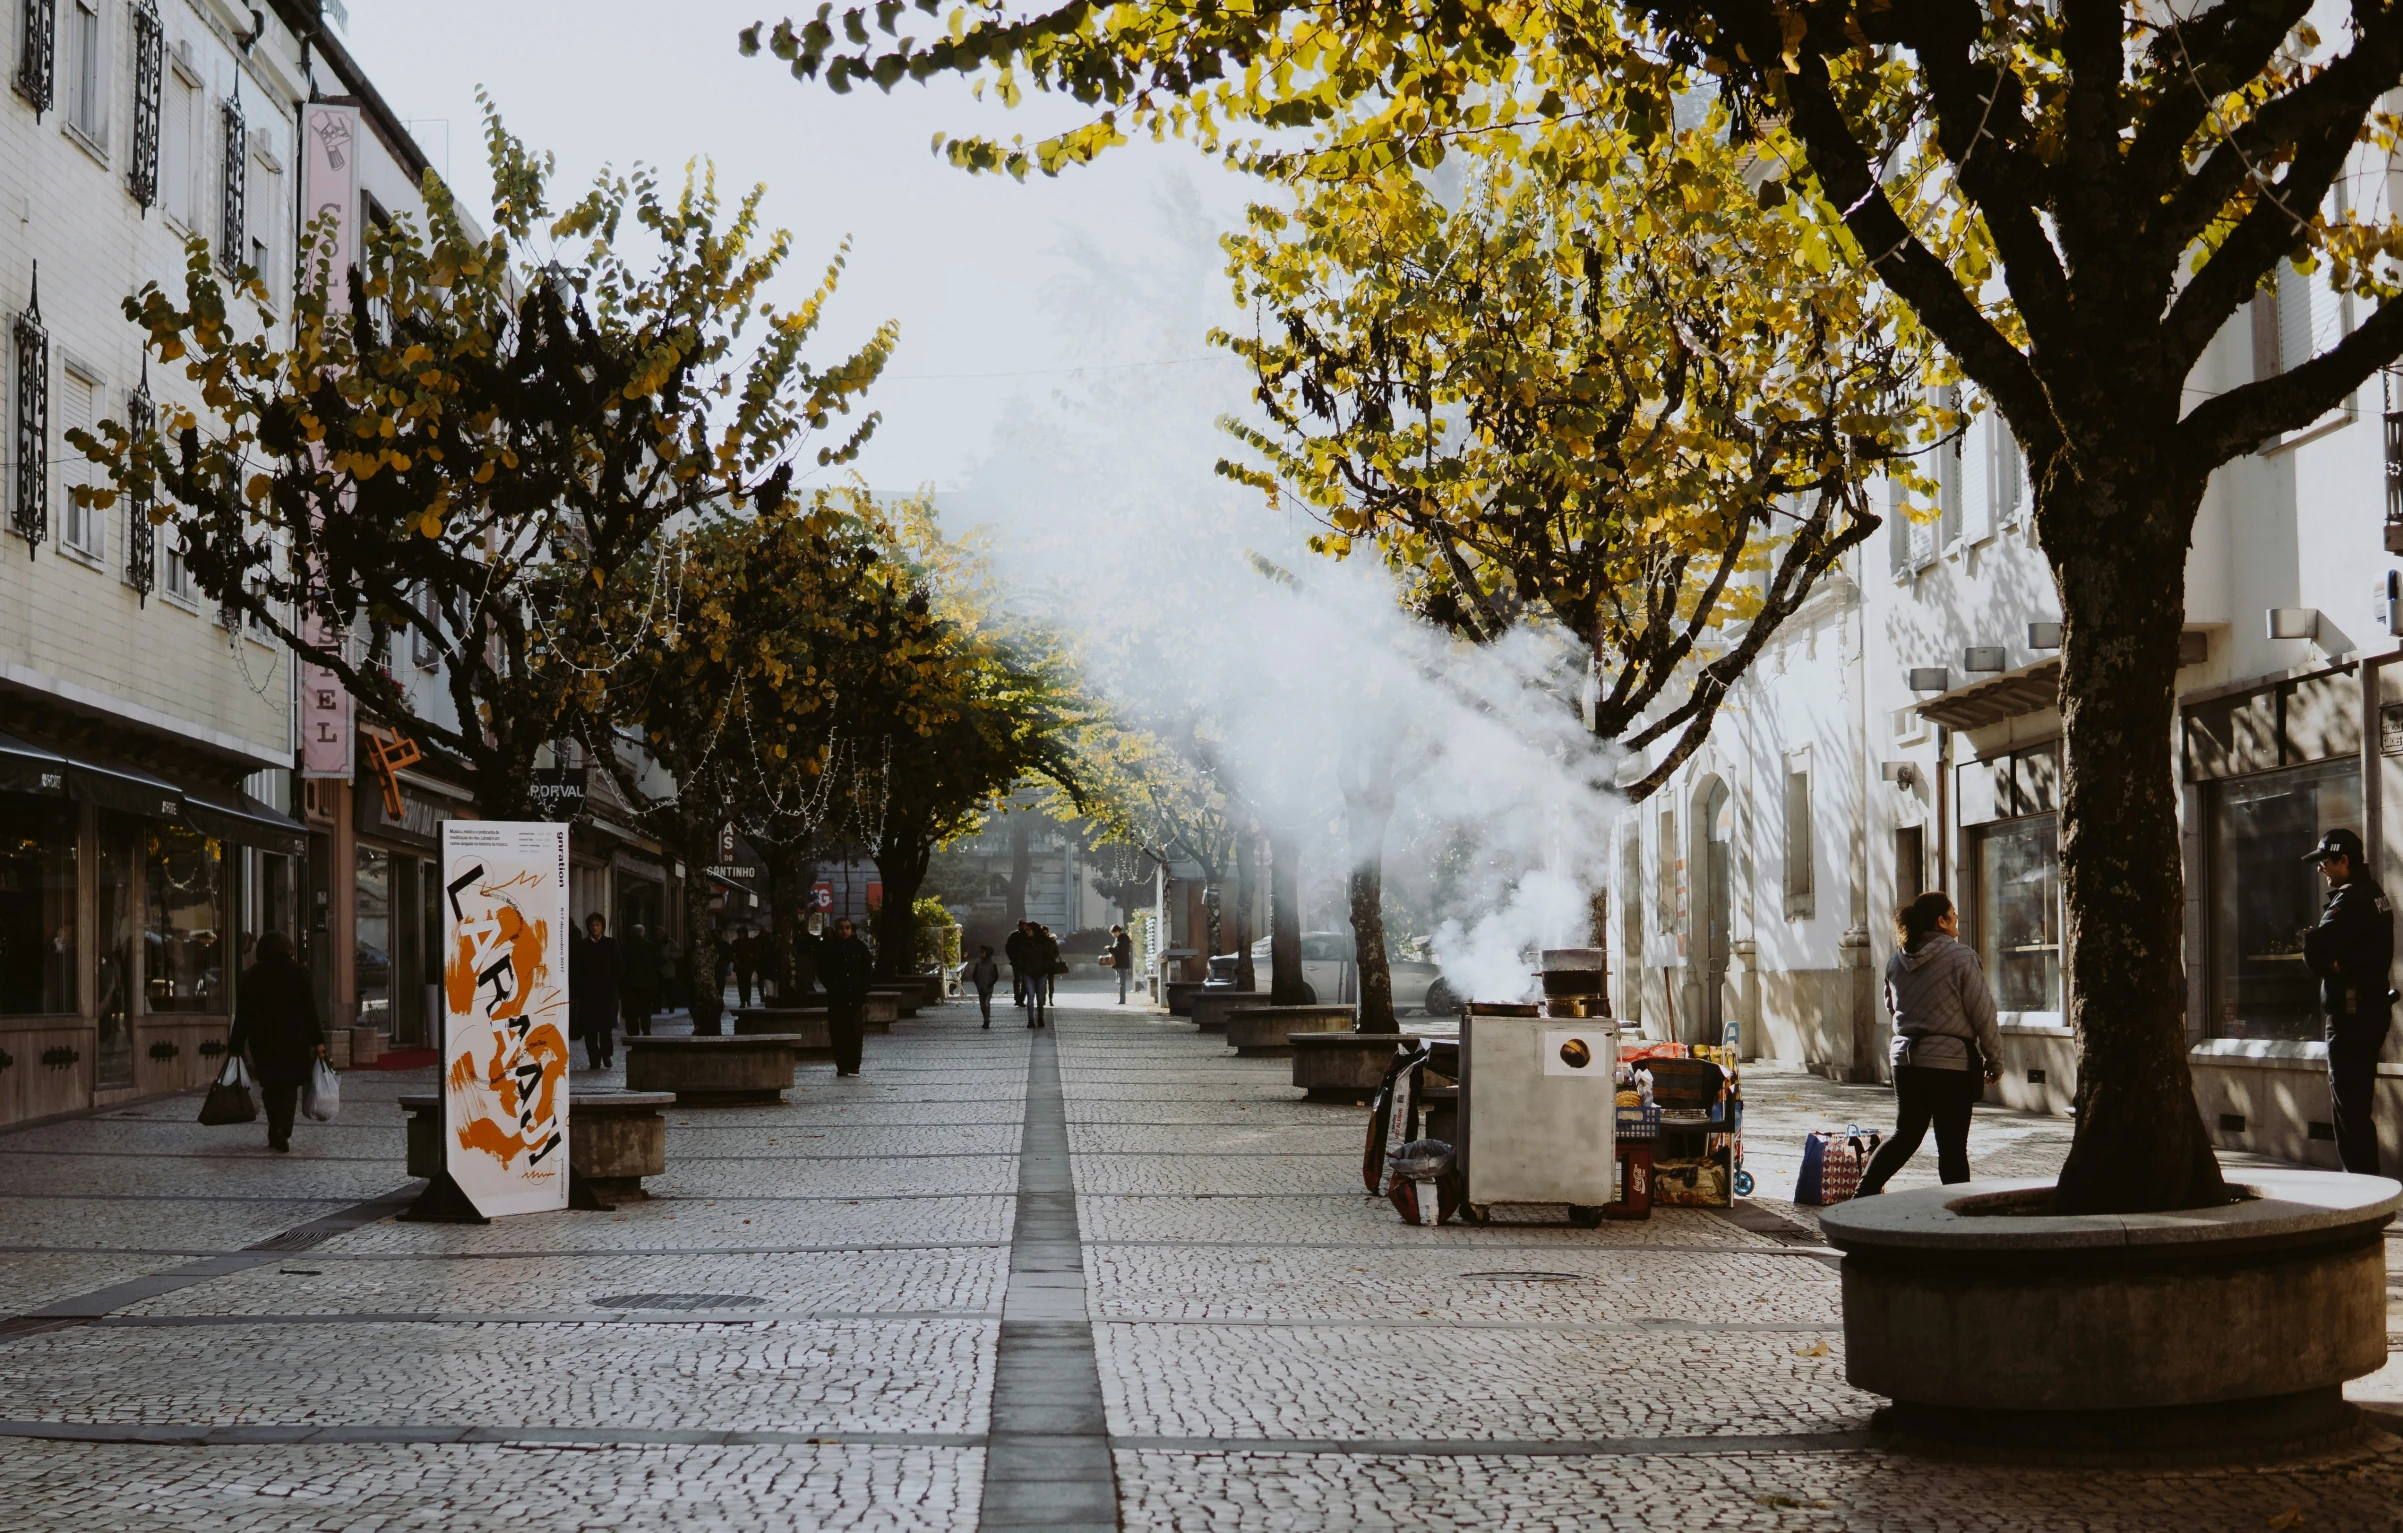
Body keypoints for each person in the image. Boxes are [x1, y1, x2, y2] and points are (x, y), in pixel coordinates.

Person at [1856, 891, 2003, 1196]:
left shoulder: (1895, 961)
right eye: (1953, 913)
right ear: (1941, 920)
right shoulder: (1962, 957)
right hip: (1950, 1065)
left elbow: (1892, 1007)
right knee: (1951, 1147)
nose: (1957, 918)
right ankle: (1959, 1210)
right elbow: (1983, 1012)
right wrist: (1994, 1060)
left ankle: (1863, 1192)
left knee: (1905, 1136)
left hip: (1906, 1062)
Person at [2302, 828, 2394, 1175]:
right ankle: (2368, 1186)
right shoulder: (2375, 894)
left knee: (2349, 1113)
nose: (2320, 869)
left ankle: (2362, 1190)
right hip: (2370, 1010)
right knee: (2357, 1108)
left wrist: (2336, 965)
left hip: (2351, 1015)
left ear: (2345, 861)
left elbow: (2315, 951)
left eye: (2325, 862)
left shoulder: (2349, 901)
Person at [228, 932, 324, 1154]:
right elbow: (309, 1010)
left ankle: (275, 1127)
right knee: (289, 1086)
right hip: (293, 1039)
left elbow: (243, 1015)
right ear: (288, 948)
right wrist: (317, 1040)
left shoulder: (251, 975)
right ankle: (283, 1129)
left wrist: (236, 1045)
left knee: (270, 1084)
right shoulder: (299, 972)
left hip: (262, 1040)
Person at [818, 916, 877, 1076]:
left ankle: (854, 1065)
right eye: (841, 928)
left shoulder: (859, 947)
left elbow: (867, 970)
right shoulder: (830, 948)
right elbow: (822, 969)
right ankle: (842, 1066)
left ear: (851, 929)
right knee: (838, 1032)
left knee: (855, 1031)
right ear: (836, 930)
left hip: (855, 996)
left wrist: (863, 989)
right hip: (837, 996)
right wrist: (832, 986)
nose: (844, 931)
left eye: (847, 927)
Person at [571, 912, 622, 1069]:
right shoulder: (581, 946)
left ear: (602, 927)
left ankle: (606, 1055)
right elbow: (575, 971)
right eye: (592, 925)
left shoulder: (610, 944)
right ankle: (594, 1058)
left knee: (605, 1028)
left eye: (598, 925)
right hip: (588, 995)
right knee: (589, 1029)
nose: (595, 928)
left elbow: (619, 966)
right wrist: (576, 994)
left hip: (607, 994)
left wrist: (614, 985)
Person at [620, 922, 661, 1039]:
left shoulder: (625, 947)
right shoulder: (650, 945)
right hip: (647, 985)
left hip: (629, 984)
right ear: (643, 933)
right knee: (645, 1010)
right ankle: (646, 1030)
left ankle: (633, 1033)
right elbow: (660, 961)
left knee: (630, 1011)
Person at [1028, 923, 1062, 1029]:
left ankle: (1049, 1000)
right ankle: (1033, 1016)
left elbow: (1055, 952)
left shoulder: (1050, 941)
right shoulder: (1033, 941)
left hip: (1047, 967)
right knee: (1035, 992)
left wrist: (1050, 958)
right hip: (1035, 970)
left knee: (1048, 985)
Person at [963, 944, 1002, 1028]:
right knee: (982, 1005)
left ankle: (987, 1020)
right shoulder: (979, 964)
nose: (981, 954)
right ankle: (985, 1019)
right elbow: (974, 975)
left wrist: (990, 983)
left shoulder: (992, 965)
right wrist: (977, 983)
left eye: (983, 952)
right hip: (980, 987)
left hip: (988, 987)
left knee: (986, 1003)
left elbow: (996, 976)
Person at [1004, 920, 1033, 1011]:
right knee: (1018, 981)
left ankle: (1020, 999)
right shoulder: (1015, 935)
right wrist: (1012, 958)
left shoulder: (1027, 935)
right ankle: (1018, 999)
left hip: (1024, 961)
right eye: (1022, 925)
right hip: (1018, 961)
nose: (1023, 927)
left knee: (1022, 981)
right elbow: (1008, 947)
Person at [1108, 924, 1134, 1005]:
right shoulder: (1119, 938)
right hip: (1119, 963)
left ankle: (1122, 999)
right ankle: (1121, 998)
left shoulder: (1123, 939)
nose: (1113, 934)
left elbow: (1120, 951)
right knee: (1120, 982)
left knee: (1122, 982)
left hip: (1122, 963)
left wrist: (1110, 949)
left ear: (1118, 931)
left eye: (1114, 932)